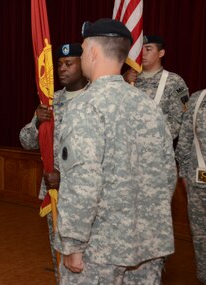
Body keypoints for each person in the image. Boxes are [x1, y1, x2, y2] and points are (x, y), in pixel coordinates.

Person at [55, 18, 177, 284]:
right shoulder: (148, 106)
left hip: (99, 250)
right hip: (148, 244)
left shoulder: (86, 107)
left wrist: (73, 243)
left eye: (84, 48)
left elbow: (82, 182)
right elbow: (168, 174)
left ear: (93, 52)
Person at [19, 42, 88, 282]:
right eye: (59, 64)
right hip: (55, 193)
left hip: (87, 197)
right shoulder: (51, 101)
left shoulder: (95, 99)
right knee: (59, 256)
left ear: (85, 64)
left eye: (69, 64)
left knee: (87, 260)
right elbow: (26, 141)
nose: (62, 69)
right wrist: (37, 122)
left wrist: (66, 178)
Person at [123, 35, 189, 142]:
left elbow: (181, 117)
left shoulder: (175, 81)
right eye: (141, 50)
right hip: (128, 144)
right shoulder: (128, 79)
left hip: (157, 147)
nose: (143, 54)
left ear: (161, 53)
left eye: (148, 49)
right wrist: (123, 82)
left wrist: (156, 141)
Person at [175, 89, 206, 284]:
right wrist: (185, 175)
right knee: (201, 238)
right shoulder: (197, 99)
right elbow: (184, 143)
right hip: (199, 184)